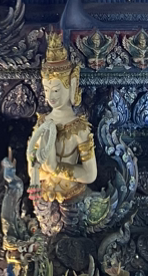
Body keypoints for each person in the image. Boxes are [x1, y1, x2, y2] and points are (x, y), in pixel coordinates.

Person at [27, 32, 97, 202]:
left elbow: (90, 175)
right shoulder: (42, 123)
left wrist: (55, 168)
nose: (51, 96)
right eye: (47, 89)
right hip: (44, 196)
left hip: (72, 195)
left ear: (72, 85)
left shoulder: (79, 128)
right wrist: (42, 169)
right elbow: (32, 168)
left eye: (56, 90)